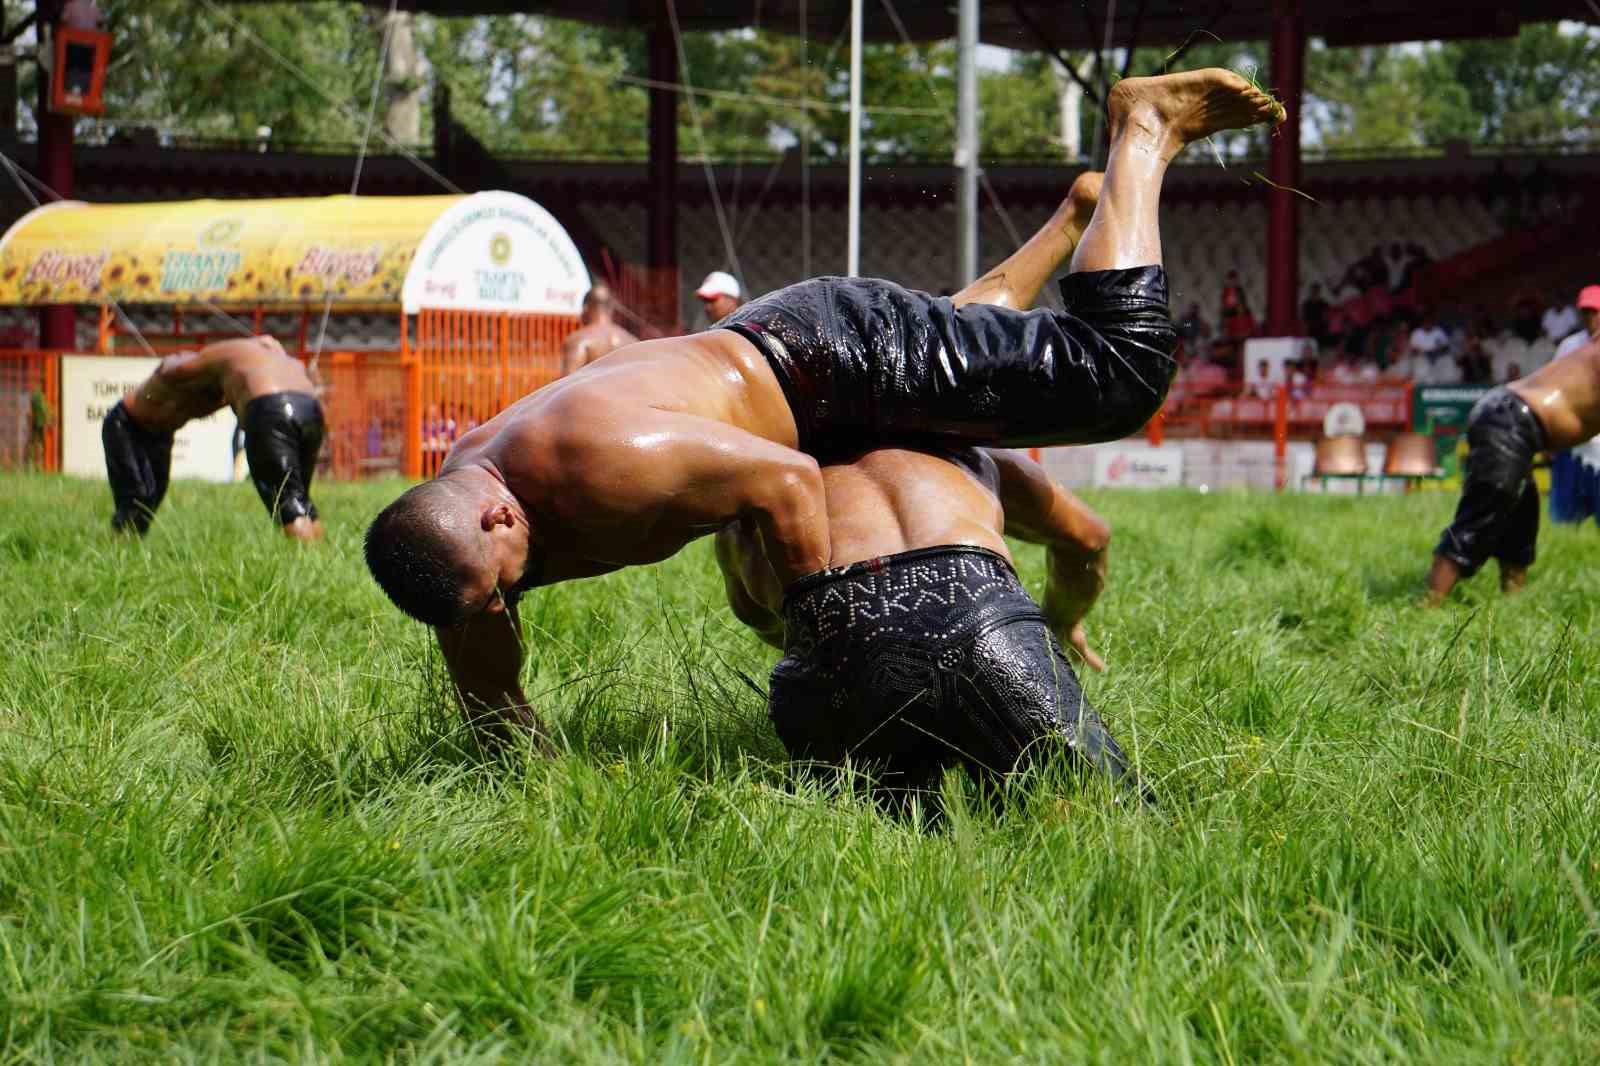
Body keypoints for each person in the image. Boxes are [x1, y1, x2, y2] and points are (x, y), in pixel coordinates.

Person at [363, 69, 1283, 747]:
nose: (505, 603)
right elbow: (484, 667)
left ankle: (1145, 129)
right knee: (961, 376)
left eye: (501, 588)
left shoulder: (608, 463)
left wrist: (827, 647)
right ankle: (1073, 218)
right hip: (799, 377)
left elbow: (788, 481)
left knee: (1116, 374)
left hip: (826, 351)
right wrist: (504, 732)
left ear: (497, 516)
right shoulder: (458, 520)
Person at [716, 445, 1151, 814]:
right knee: (1112, 815)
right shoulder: (973, 456)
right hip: (981, 603)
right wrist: (1062, 622)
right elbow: (1089, 537)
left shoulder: (761, 486)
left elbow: (771, 622)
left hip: (843, 621)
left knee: (872, 837)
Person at [1425, 335, 1600, 604]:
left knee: (1521, 526)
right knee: (1480, 518)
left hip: (1515, 421)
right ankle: (1428, 606)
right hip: (1509, 418)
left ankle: (1511, 607)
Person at [102, 335, 325, 541]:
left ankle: (310, 559)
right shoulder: (229, 362)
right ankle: (119, 547)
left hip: (163, 430)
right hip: (126, 424)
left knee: (291, 503)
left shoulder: (232, 371)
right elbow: (172, 366)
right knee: (139, 500)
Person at [560, 282, 638, 376]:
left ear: (585, 308)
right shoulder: (632, 341)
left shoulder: (578, 341)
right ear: (610, 309)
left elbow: (567, 381)